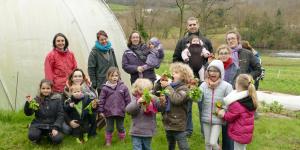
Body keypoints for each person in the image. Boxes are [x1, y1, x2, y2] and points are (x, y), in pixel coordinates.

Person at [173, 17, 213, 137]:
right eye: (190, 25)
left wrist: (206, 69)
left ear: (198, 25)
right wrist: (183, 71)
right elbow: (175, 59)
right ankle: (187, 130)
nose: (192, 26)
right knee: (187, 106)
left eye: (194, 24)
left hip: (202, 80)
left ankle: (205, 132)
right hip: (187, 80)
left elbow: (211, 58)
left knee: (203, 106)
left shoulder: (206, 41)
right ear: (187, 27)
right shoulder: (182, 41)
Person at [216, 74, 257, 150]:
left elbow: (229, 117)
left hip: (239, 132)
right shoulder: (249, 98)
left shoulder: (237, 103)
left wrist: (221, 114)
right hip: (245, 131)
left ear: (237, 85)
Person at [160, 62, 194, 150]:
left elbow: (177, 100)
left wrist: (167, 87)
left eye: (176, 72)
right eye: (173, 72)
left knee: (183, 147)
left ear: (183, 76)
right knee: (170, 145)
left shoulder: (184, 89)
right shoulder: (171, 87)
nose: (172, 74)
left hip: (178, 124)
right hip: (168, 121)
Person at [199, 60, 233, 150]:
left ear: (221, 72)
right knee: (207, 142)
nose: (213, 73)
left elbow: (230, 103)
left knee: (213, 142)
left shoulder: (227, 86)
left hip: (218, 118)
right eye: (210, 70)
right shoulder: (203, 85)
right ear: (207, 72)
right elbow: (198, 99)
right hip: (206, 118)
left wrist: (223, 109)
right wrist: (193, 93)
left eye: (216, 71)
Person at [98, 67, 131, 146]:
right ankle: (108, 142)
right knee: (109, 128)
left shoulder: (123, 87)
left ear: (119, 76)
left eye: (116, 75)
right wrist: (101, 111)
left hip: (120, 111)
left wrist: (129, 108)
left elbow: (128, 99)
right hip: (109, 112)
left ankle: (122, 140)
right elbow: (101, 100)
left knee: (120, 127)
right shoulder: (105, 88)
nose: (114, 77)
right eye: (112, 76)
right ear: (108, 77)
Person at [24, 79, 64, 144]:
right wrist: (28, 103)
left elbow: (60, 115)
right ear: (40, 89)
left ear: (51, 89)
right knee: (32, 136)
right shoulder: (36, 100)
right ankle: (38, 134)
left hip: (52, 125)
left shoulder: (57, 100)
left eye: (48, 88)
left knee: (58, 139)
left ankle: (49, 135)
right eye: (43, 88)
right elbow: (28, 113)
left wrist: (56, 127)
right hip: (38, 124)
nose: (45, 90)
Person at [126, 78, 162, 150]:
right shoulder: (135, 99)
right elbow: (128, 110)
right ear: (137, 90)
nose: (145, 92)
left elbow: (160, 108)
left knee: (146, 147)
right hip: (136, 131)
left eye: (148, 90)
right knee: (137, 148)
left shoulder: (153, 99)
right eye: (142, 90)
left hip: (148, 130)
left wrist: (162, 101)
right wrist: (138, 103)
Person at [216, 45, 240, 150]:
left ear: (230, 54)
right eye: (221, 53)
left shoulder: (235, 68)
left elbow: (237, 86)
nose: (223, 55)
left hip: (230, 101)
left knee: (227, 130)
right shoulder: (214, 66)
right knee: (215, 128)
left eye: (226, 53)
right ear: (218, 55)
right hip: (215, 99)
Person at [63, 68, 98, 136]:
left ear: (83, 78)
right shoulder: (66, 90)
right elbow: (63, 110)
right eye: (75, 76)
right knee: (67, 130)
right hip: (73, 116)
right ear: (72, 78)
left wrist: (95, 107)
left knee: (93, 114)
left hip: (85, 114)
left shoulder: (89, 88)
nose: (78, 78)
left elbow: (95, 102)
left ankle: (91, 129)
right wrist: (70, 122)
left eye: (80, 76)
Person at [88, 30, 118, 95]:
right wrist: (94, 83)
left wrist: (118, 78)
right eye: (101, 40)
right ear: (98, 40)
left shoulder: (110, 50)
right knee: (103, 103)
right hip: (101, 83)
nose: (104, 41)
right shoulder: (94, 52)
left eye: (105, 39)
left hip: (113, 81)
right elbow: (91, 69)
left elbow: (115, 65)